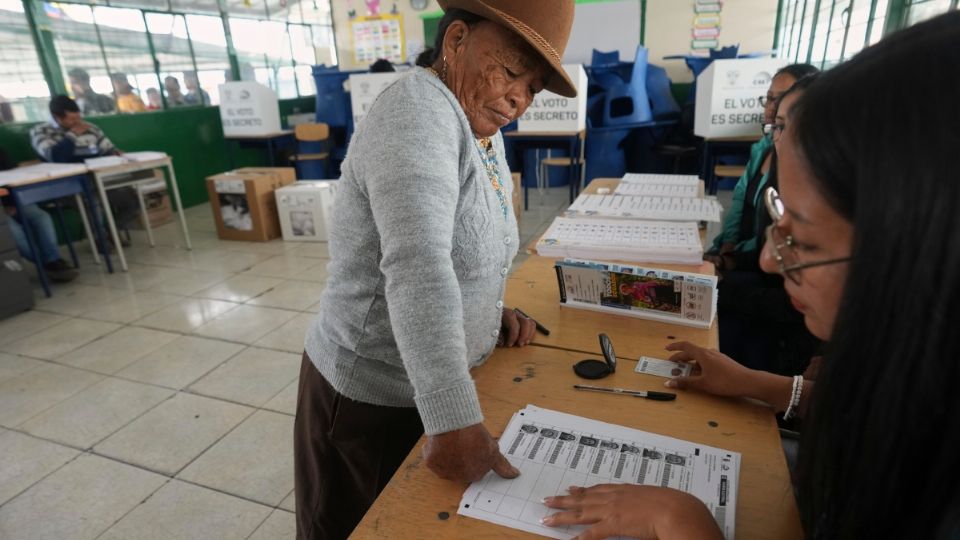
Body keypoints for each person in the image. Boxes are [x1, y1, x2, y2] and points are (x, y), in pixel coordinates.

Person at [542, 11, 960, 539]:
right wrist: (761, 385)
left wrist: (686, 523)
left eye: (802, 237)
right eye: (777, 210)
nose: (768, 258)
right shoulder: (912, 371)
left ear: (924, 255)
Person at [294, 1, 578, 538]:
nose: (520, 98)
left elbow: (465, 249)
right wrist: (453, 420)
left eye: (533, 88)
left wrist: (486, 309)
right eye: (512, 71)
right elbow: (419, 265)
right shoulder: (417, 113)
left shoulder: (476, 123)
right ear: (456, 40)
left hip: (420, 383)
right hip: (371, 402)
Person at [706, 63, 821, 375]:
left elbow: (783, 297)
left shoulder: (817, 187)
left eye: (784, 124)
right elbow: (742, 203)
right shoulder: (767, 150)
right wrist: (727, 256)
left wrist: (725, 283)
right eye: (769, 100)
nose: (770, 111)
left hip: (780, 312)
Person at [29, 95, 141, 245]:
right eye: (72, 119)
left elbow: (108, 148)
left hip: (97, 179)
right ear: (57, 117)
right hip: (66, 185)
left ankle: (112, 231)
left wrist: (116, 153)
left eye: (78, 117)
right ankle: (100, 240)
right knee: (91, 200)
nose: (78, 122)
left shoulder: (90, 128)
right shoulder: (41, 132)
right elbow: (54, 157)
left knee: (132, 198)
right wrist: (73, 135)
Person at [1, 145, 78, 282]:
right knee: (14, 231)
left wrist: (11, 204)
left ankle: (52, 261)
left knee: (42, 217)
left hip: (11, 200)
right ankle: (48, 263)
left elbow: (11, 175)